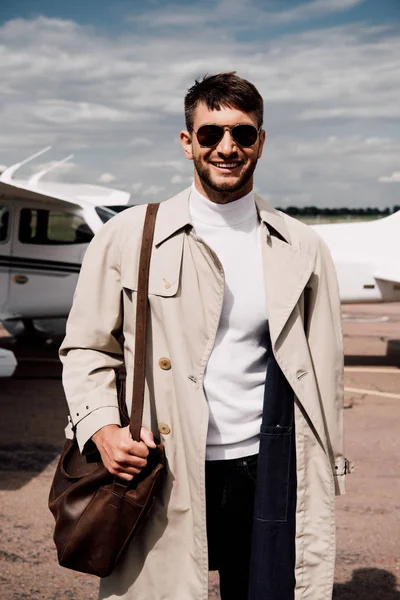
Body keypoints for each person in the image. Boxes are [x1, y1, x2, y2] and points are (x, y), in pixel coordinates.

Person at [59, 72, 350, 600]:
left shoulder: (301, 247)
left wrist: (325, 469)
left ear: (261, 141)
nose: (227, 147)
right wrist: (101, 427)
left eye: (243, 133)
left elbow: (325, 370)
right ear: (187, 141)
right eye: (211, 133)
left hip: (267, 467)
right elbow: (86, 347)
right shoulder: (129, 235)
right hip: (160, 468)